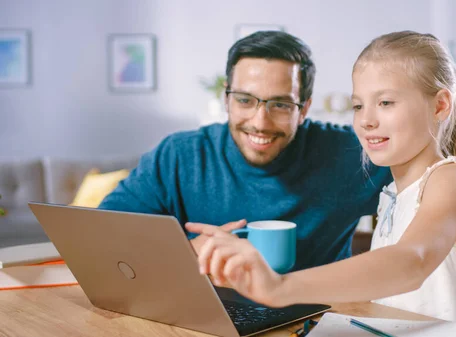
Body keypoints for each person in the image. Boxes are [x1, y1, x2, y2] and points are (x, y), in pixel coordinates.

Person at [191, 31, 456, 322]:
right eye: (358, 106)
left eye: (385, 102)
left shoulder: (453, 181)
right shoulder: (391, 195)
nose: (366, 121)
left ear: (440, 105)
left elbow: (410, 262)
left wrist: (280, 288)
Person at [98, 31, 392, 271]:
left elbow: (429, 167)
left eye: (280, 104)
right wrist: (186, 253)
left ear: (304, 109)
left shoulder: (352, 153)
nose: (260, 123)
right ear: (226, 98)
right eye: (245, 100)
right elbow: (104, 234)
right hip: (205, 316)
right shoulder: (179, 155)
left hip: (318, 320)